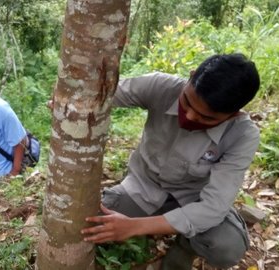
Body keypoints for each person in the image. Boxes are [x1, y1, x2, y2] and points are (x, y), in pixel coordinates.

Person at [80, 53, 261, 269]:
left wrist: (135, 227)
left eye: (208, 118)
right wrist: (71, 104)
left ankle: (182, 251)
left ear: (234, 115)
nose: (191, 116)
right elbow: (104, 95)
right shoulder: (161, 87)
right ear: (191, 76)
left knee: (226, 247)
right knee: (87, 225)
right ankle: (153, 224)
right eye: (187, 102)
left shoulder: (242, 135)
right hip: (142, 188)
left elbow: (212, 207)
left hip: (194, 199)